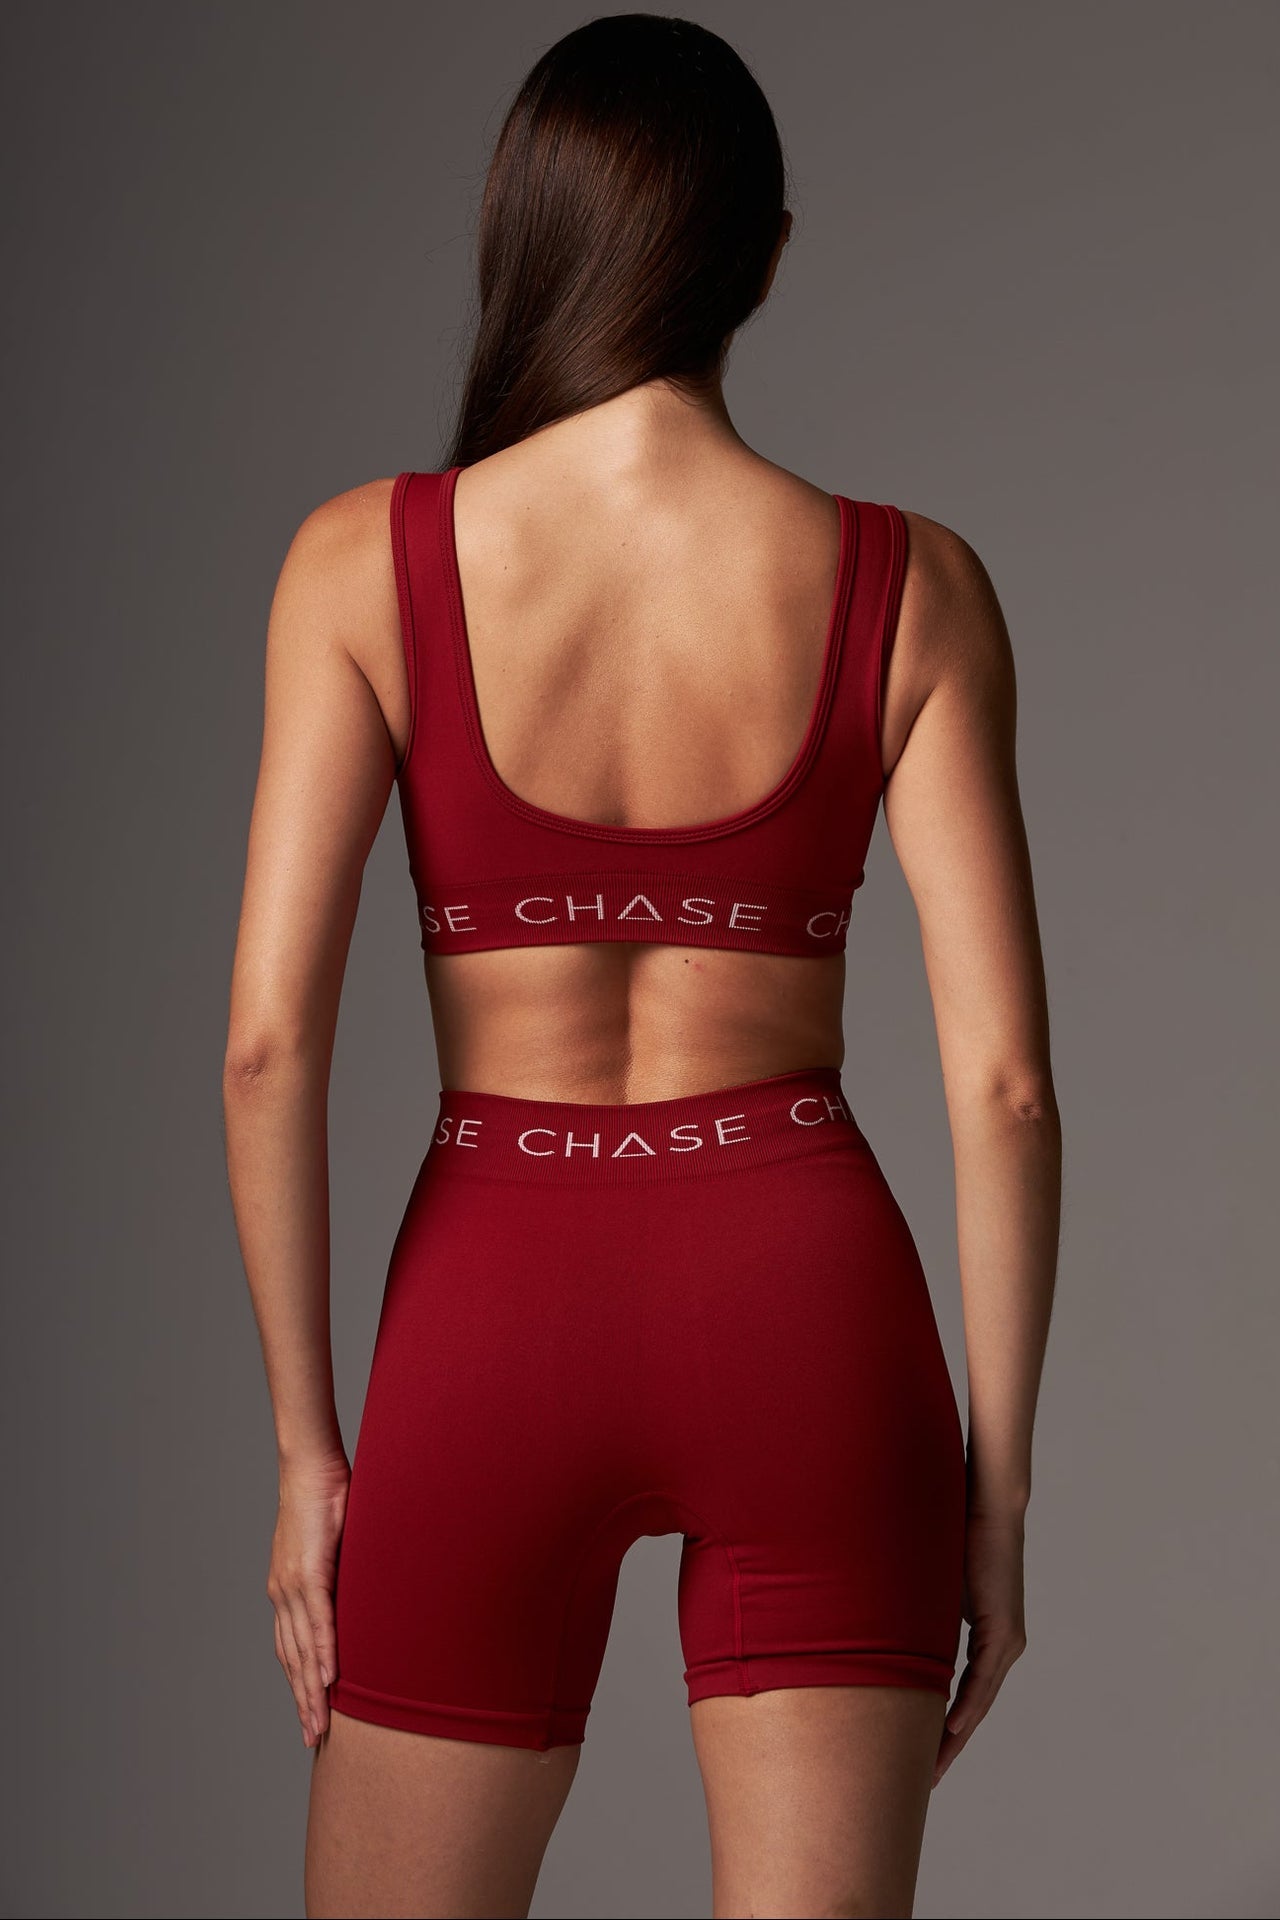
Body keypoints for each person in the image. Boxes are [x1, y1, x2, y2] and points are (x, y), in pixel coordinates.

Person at [222, 14, 1061, 1918]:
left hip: (490, 1304)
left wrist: (304, 1450)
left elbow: (269, 1045)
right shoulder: (913, 585)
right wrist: (995, 1492)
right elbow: (1006, 1088)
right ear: (764, 258)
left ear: (523, 240)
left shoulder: (361, 563)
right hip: (805, 1299)